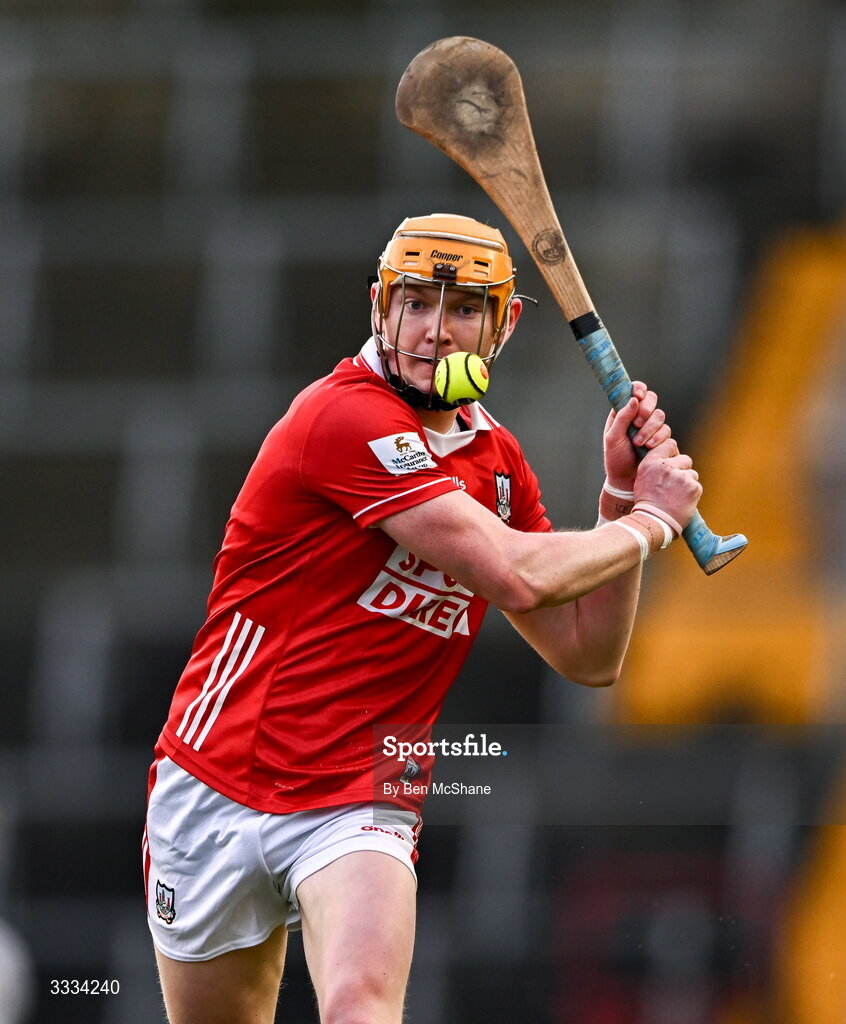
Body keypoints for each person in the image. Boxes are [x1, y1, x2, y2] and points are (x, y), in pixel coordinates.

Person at [143, 213, 701, 1024]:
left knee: (361, 1006)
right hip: (215, 781)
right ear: (380, 306)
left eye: (465, 308)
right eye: (416, 302)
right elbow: (512, 573)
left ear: (505, 323)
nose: (436, 331)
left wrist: (619, 497)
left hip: (358, 797)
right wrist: (650, 524)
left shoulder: (498, 464)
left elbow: (588, 655)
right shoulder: (341, 419)